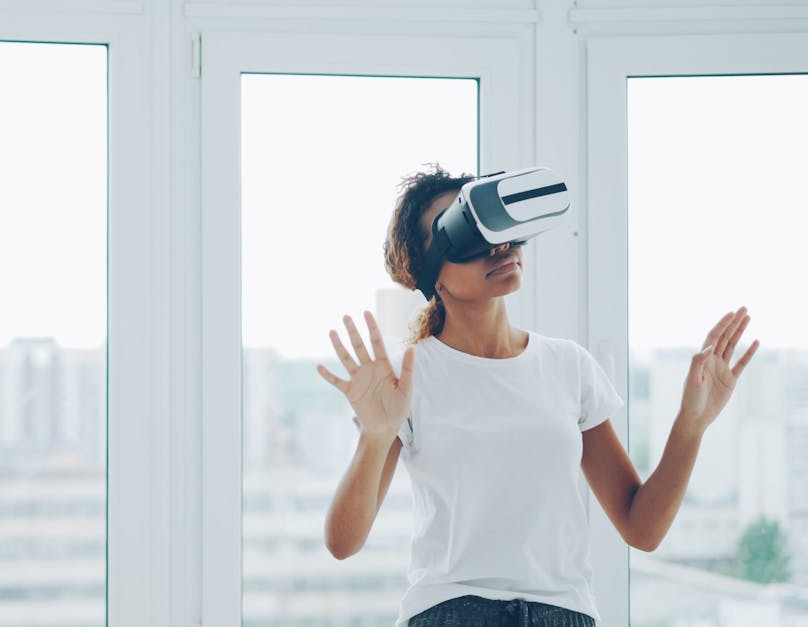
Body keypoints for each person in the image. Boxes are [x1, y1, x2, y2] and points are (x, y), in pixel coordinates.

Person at [316, 163, 760, 627]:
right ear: (430, 273)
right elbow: (343, 543)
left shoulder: (568, 366)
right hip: (451, 612)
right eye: (466, 231)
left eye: (498, 221)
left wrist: (692, 423)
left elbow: (642, 528)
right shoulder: (410, 377)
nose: (499, 243)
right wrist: (375, 434)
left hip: (564, 613)